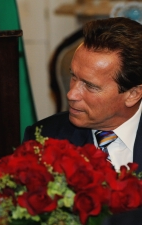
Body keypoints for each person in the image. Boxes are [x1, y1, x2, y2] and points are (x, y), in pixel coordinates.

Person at [23, 17, 142, 225]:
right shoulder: (45, 138)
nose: (71, 94)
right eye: (74, 77)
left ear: (133, 94)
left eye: (90, 86)